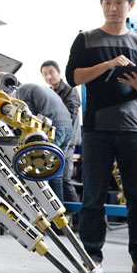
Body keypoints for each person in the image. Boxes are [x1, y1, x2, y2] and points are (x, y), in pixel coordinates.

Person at [65, 0, 137, 273]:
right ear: (102, 5)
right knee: (93, 197)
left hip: (135, 128)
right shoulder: (86, 39)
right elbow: (74, 77)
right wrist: (109, 64)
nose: (112, 8)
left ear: (130, 6)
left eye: (119, 2)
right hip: (97, 129)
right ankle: (91, 258)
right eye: (107, 2)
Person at [14, 83, 73, 203]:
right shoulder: (38, 87)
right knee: (56, 173)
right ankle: (59, 216)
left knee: (41, 172)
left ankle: (48, 213)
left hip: (54, 128)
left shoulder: (22, 91)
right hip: (67, 128)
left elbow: (28, 117)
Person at [40, 60, 81, 202]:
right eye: (45, 74)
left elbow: (71, 113)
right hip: (53, 140)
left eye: (51, 72)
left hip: (67, 140)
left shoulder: (70, 90)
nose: (48, 77)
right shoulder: (48, 93)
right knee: (52, 178)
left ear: (58, 72)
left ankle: (78, 219)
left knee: (64, 179)